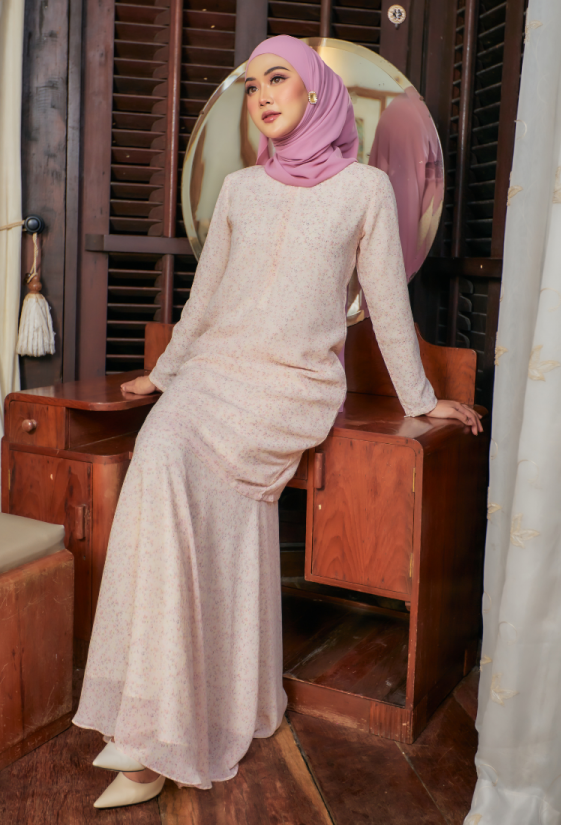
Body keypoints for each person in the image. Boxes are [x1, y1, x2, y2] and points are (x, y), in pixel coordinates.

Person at [72, 35, 483, 810]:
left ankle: (154, 736)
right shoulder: (238, 189)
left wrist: (420, 399)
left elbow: (386, 303)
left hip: (291, 388)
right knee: (157, 458)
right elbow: (204, 299)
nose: (262, 95)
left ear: (315, 92)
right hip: (210, 375)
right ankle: (150, 716)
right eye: (254, 83)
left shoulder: (364, 189)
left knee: (179, 482)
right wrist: (165, 374)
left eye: (278, 79)